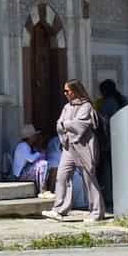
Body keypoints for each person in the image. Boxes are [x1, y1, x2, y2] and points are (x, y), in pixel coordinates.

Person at [48, 80, 105, 222]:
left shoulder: (86, 106)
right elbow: (59, 124)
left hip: (84, 146)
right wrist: (65, 126)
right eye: (65, 91)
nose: (65, 94)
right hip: (69, 146)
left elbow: (80, 125)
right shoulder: (67, 107)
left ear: (75, 91)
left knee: (89, 178)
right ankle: (60, 208)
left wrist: (65, 124)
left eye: (68, 91)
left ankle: (97, 212)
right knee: (62, 175)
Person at [11, 124, 50, 192]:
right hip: (20, 175)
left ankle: (42, 188)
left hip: (23, 172)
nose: (36, 137)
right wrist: (39, 153)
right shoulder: (22, 145)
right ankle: (43, 190)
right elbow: (31, 159)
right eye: (35, 135)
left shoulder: (27, 146)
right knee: (43, 164)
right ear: (30, 137)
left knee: (42, 163)